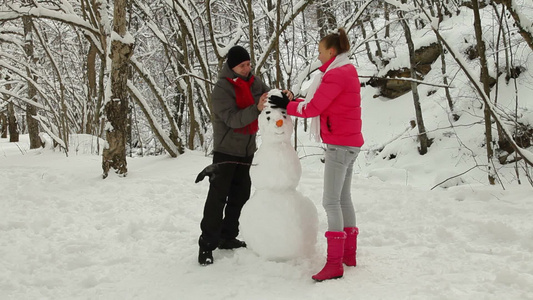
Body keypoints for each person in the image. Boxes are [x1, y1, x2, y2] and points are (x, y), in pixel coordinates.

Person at [269, 28, 364, 281]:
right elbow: (320, 102)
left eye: (321, 52)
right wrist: (294, 101)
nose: (319, 57)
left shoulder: (335, 75)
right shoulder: (346, 70)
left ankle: (335, 264)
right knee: (343, 199)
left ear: (331, 51)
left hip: (340, 145)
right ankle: (348, 254)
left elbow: (312, 108)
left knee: (331, 201)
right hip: (350, 142)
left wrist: (286, 106)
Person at [198, 45, 288, 266]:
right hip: (226, 151)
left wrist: (284, 96)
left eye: (249, 64)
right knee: (217, 200)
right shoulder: (221, 88)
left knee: (240, 197)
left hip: (247, 151)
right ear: (232, 66)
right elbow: (232, 119)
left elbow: (270, 96)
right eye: (242, 66)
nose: (247, 69)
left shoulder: (254, 82)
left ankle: (228, 237)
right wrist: (256, 108)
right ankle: (206, 245)